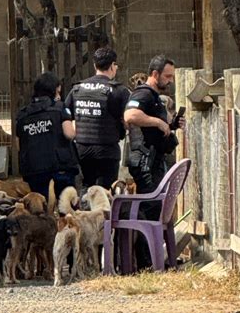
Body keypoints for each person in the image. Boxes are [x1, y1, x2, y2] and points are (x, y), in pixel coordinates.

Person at [124, 54, 185, 269]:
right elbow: (130, 116)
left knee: (156, 210)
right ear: (155, 74)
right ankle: (147, 262)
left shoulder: (154, 96)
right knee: (150, 211)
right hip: (145, 163)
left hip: (154, 161)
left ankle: (153, 259)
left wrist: (172, 125)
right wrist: (159, 122)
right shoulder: (143, 93)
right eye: (167, 76)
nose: (170, 81)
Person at [65, 47, 129, 189]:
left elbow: (64, 115)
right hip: (107, 150)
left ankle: (85, 211)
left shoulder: (77, 89)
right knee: (105, 192)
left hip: (82, 149)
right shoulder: (119, 90)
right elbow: (128, 120)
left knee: (87, 189)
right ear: (113, 66)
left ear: (95, 65)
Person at [16, 71, 79, 202]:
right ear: (56, 89)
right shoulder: (60, 108)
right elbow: (69, 134)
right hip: (60, 169)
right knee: (66, 208)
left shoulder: (23, 114)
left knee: (41, 208)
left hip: (34, 171)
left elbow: (19, 144)